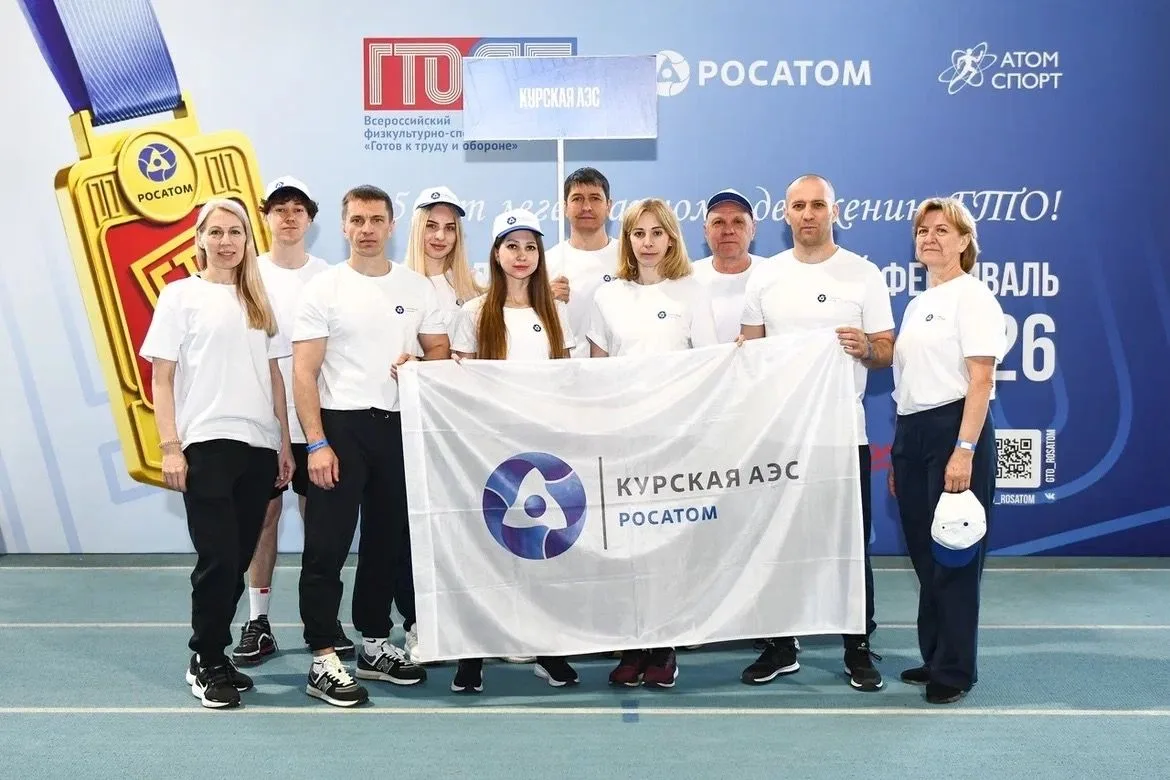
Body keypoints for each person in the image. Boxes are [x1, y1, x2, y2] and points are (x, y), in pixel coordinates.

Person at [293, 185, 449, 707]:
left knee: (387, 542)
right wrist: (316, 442)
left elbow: (440, 350)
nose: (366, 229)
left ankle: (375, 643)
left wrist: (422, 364)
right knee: (327, 546)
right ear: (343, 226)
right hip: (339, 430)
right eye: (357, 220)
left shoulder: (417, 287)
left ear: (391, 226)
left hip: (398, 429)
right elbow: (304, 372)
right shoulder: (323, 289)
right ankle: (322, 656)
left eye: (375, 220)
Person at [739, 173, 894, 692]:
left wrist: (866, 348)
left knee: (849, 543)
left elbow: (887, 349)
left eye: (818, 205)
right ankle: (780, 644)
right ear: (785, 214)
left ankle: (858, 646)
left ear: (835, 212)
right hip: (781, 438)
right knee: (778, 539)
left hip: (842, 435)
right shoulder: (765, 277)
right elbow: (750, 351)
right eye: (799, 206)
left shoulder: (863, 274)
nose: (808, 214)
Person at [139, 198, 294, 709]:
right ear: (200, 239)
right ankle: (206, 658)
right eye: (217, 232)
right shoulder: (180, 296)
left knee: (240, 556)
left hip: (259, 447)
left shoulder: (261, 299)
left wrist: (283, 442)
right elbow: (161, 378)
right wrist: (171, 447)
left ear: (248, 240)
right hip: (205, 444)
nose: (226, 241)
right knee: (219, 557)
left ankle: (215, 655)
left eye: (236, 232)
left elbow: (274, 376)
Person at [446, 208, 579, 693]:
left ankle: (548, 649)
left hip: (543, 452)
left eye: (530, 247)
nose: (521, 255)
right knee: (483, 551)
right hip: (489, 452)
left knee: (542, 551)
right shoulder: (473, 313)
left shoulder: (556, 313)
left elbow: (570, 380)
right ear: (496, 253)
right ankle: (473, 653)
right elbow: (456, 384)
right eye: (511, 246)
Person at [588, 197, 718, 688]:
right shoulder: (609, 295)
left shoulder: (692, 292)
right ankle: (632, 644)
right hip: (622, 440)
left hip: (673, 439)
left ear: (671, 238)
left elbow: (709, 366)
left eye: (656, 233)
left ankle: (663, 645)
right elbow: (597, 369)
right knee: (625, 544)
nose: (647, 242)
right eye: (638, 233)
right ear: (627, 240)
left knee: (665, 543)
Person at [889, 197, 1005, 704]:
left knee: (954, 554)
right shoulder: (918, 304)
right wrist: (901, 449)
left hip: (954, 430)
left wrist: (964, 449)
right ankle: (935, 654)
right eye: (923, 230)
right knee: (923, 551)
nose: (930, 237)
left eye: (942, 230)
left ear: (964, 242)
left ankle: (956, 671)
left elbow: (981, 380)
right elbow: (908, 383)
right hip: (912, 432)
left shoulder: (974, 297)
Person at [230, 176, 341, 667]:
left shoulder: (331, 277)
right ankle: (258, 621)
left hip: (319, 424)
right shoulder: (247, 275)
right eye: (280, 209)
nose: (289, 217)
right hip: (264, 423)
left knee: (323, 523)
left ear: (311, 219)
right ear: (266, 217)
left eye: (298, 209)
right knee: (264, 518)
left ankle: (324, 621)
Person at [398, 185, 483, 662]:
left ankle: (469, 626)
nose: (440, 235)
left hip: (462, 432)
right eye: (431, 225)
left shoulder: (473, 290)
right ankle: (417, 623)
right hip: (409, 426)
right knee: (414, 530)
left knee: (464, 527)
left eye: (450, 227)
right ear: (416, 229)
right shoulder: (396, 283)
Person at [545, 167, 619, 357]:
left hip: (618, 370)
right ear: (564, 207)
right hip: (565, 369)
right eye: (577, 199)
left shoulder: (629, 257)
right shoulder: (547, 262)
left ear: (609, 206)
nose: (586, 207)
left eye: (595, 198)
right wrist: (543, 300)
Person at [692, 189, 764, 343]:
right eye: (718, 222)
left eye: (738, 222)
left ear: (753, 229)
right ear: (705, 231)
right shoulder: (688, 278)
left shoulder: (770, 273)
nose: (728, 231)